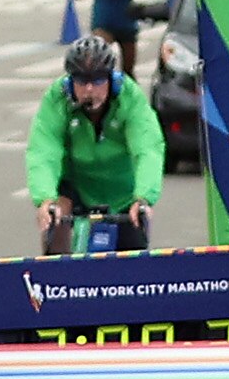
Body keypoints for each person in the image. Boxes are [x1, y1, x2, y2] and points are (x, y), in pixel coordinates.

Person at [26, 34, 164, 254]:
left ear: (111, 79)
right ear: (71, 80)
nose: (89, 89)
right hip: (75, 187)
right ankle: (59, 281)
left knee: (134, 260)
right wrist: (45, 199)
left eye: (98, 79)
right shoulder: (57, 98)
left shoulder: (129, 97)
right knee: (56, 229)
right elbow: (43, 151)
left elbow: (148, 148)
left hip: (123, 193)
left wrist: (144, 197)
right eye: (81, 80)